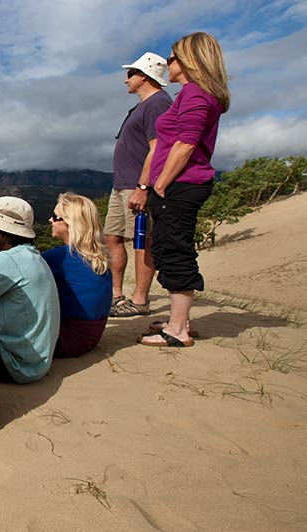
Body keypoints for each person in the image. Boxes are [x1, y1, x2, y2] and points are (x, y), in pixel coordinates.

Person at [138, 32, 230, 348]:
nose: (168, 63)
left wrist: (160, 183)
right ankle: (180, 319)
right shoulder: (191, 94)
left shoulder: (195, 94)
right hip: (181, 184)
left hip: (181, 185)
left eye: (173, 57)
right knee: (168, 247)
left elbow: (186, 143)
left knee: (173, 249)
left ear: (190, 60)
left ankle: (178, 329)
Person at [0, 197, 60, 383]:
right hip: (36, 362)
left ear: (4, 231)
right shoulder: (32, 256)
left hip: (15, 366)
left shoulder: (8, 261)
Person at [106, 52, 173, 318]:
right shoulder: (142, 106)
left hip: (136, 185)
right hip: (121, 185)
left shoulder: (158, 103)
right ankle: (116, 295)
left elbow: (159, 147)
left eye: (130, 74)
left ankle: (140, 300)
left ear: (143, 76)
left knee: (142, 241)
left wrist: (143, 186)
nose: (126, 81)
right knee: (112, 237)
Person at [42, 193, 113, 358]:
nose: (50, 220)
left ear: (69, 223)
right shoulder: (99, 257)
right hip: (92, 336)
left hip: (67, 338)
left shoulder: (60, 257)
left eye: (55, 217)